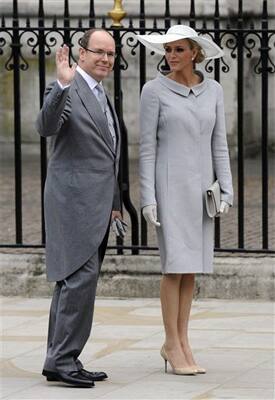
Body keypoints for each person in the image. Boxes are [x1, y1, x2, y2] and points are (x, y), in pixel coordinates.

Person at [137, 25, 233, 375]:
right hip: (169, 189)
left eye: (179, 50)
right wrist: (147, 198)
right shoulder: (153, 91)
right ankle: (171, 341)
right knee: (173, 266)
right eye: (168, 50)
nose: (172, 56)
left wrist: (227, 189)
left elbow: (219, 144)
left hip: (200, 191)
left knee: (191, 267)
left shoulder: (214, 91)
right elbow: (146, 149)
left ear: (195, 53)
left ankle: (181, 340)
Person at [36, 28, 124, 388]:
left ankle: (61, 357)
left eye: (111, 54)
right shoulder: (67, 86)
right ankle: (63, 359)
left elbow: (109, 154)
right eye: (99, 52)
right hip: (73, 202)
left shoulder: (100, 93)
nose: (105, 59)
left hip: (98, 204)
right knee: (78, 279)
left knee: (75, 282)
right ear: (80, 53)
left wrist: (116, 204)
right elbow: (46, 126)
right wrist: (61, 86)